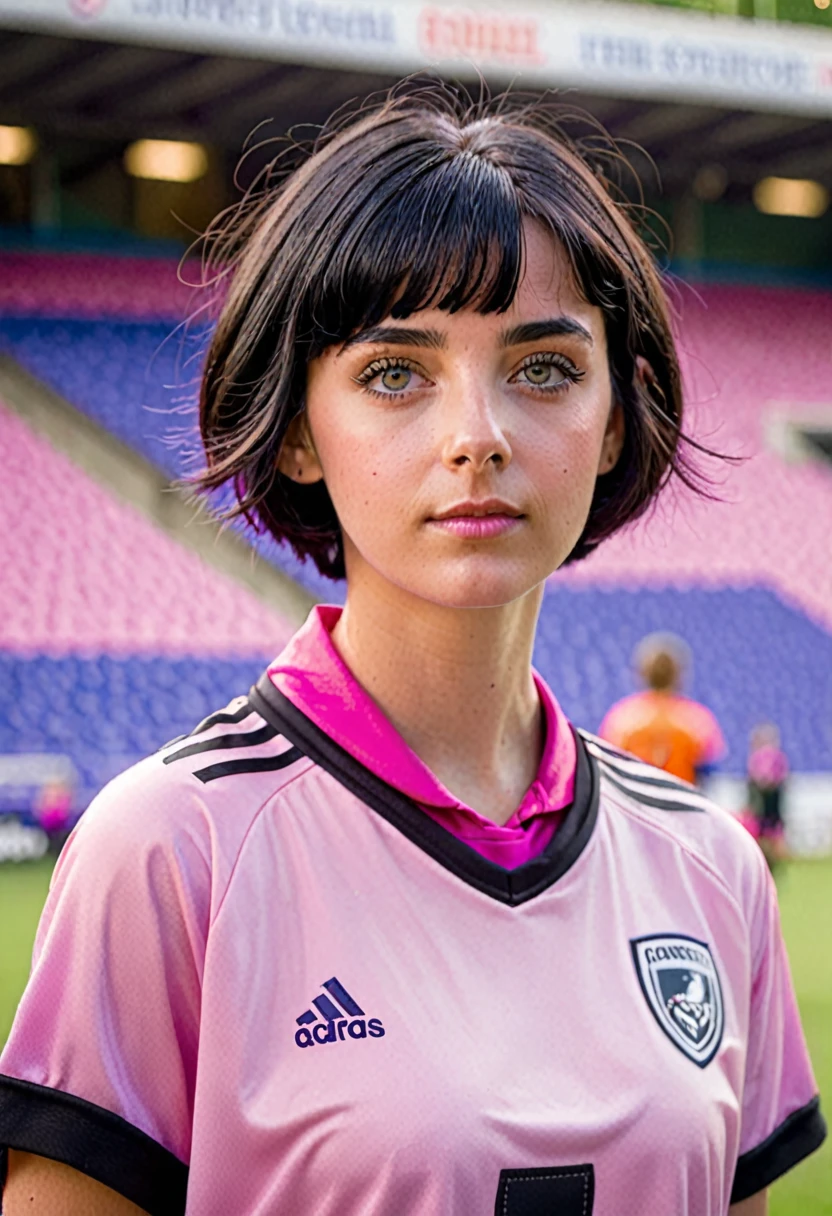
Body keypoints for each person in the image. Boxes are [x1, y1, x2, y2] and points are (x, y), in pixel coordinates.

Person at [0, 85, 825, 1216]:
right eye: (396, 372)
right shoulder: (170, 849)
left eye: (543, 367)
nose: (476, 436)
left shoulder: (709, 863)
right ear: (295, 427)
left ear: (617, 418)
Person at [599, 632, 726, 786]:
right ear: (679, 675)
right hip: (681, 803)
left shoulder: (621, 718)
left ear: (643, 673)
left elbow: (608, 767)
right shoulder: (697, 720)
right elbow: (708, 773)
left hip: (634, 803)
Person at [743, 724, 790, 869]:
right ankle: (774, 859)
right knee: (772, 829)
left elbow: (758, 777)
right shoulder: (775, 755)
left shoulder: (760, 756)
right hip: (770, 796)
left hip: (766, 797)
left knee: (765, 829)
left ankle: (766, 858)